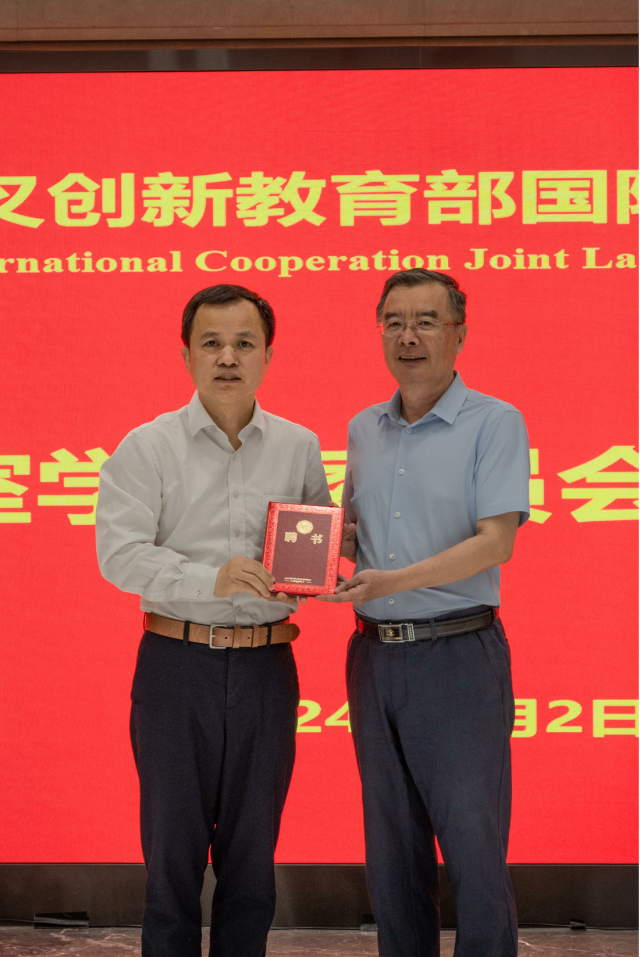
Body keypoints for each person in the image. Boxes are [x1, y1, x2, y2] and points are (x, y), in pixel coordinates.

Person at [96, 284, 330, 957]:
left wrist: (329, 562)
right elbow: (119, 555)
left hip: (267, 668)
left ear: (267, 356)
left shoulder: (298, 445)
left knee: (253, 858)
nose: (228, 357)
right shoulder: (147, 447)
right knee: (171, 855)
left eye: (244, 343)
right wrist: (212, 579)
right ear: (187, 355)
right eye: (212, 343)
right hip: (177, 667)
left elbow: (312, 545)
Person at [318, 268, 530, 957]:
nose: (408, 336)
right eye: (394, 322)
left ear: (459, 334)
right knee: (391, 848)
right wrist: (304, 547)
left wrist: (392, 581)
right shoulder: (364, 428)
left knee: (473, 844)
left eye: (426, 321)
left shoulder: (495, 421)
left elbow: (495, 542)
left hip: (457, 655)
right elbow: (355, 535)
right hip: (373, 656)